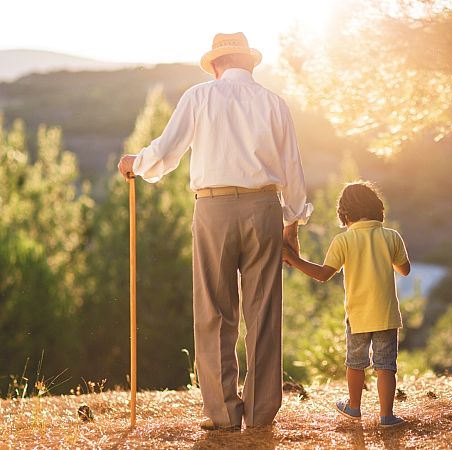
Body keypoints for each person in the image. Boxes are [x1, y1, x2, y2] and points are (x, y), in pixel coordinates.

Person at [117, 32, 312, 431]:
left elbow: (167, 152)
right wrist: (292, 225)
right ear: (250, 63)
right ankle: (260, 415)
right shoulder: (275, 103)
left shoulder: (199, 97)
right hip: (265, 209)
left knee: (214, 311)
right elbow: (293, 169)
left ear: (217, 64)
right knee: (264, 312)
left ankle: (223, 414)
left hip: (213, 208)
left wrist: (136, 163)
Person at [282, 181, 410, 428]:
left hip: (359, 315)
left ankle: (353, 406)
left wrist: (293, 259)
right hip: (386, 314)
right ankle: (387, 416)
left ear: (345, 214)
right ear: (377, 209)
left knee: (355, 363)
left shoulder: (343, 241)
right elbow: (404, 270)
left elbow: (322, 275)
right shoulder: (391, 236)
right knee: (386, 365)